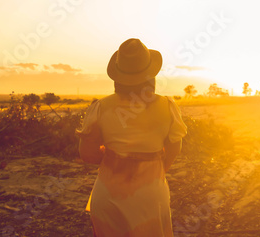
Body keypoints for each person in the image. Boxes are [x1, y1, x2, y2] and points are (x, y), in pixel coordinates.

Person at [78, 38, 187, 237]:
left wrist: (115, 158)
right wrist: (155, 169)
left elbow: (87, 154)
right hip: (151, 195)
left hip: (108, 195)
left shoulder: (100, 108)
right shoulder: (168, 107)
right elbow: (174, 149)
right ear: (150, 75)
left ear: (118, 76)